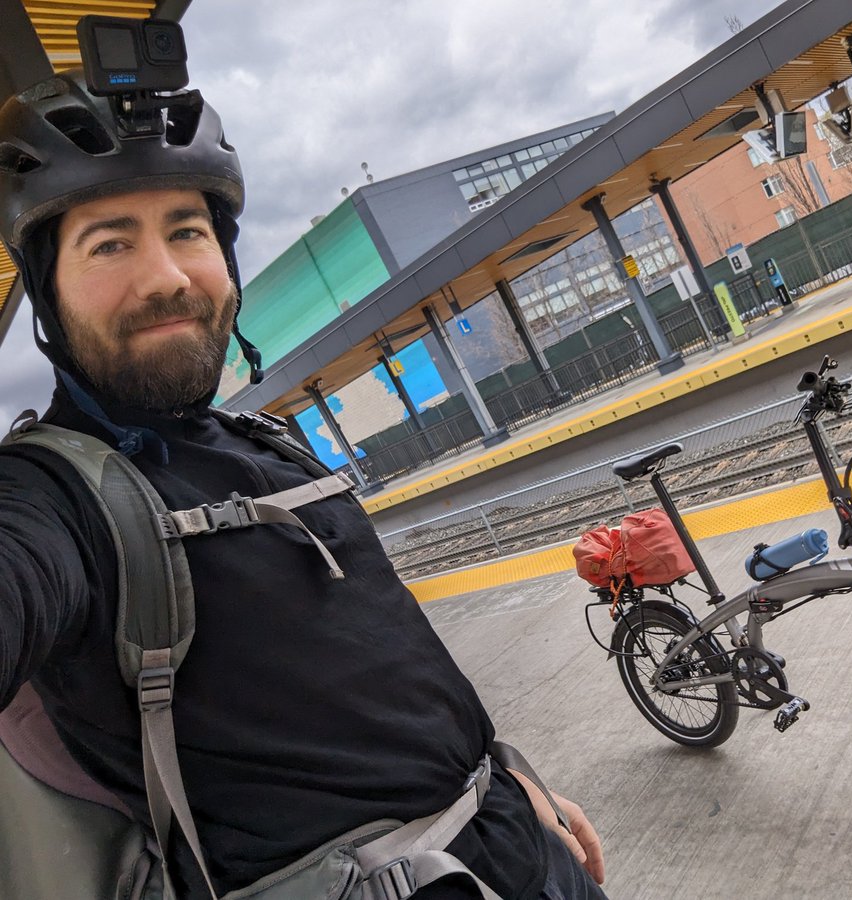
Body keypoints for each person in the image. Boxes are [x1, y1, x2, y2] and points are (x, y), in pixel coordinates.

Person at [0, 68, 606, 899]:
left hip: (518, 851)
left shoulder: (265, 442)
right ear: (46, 291)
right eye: (109, 244)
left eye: (187, 231)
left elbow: (387, 676)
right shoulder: (53, 496)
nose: (168, 277)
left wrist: (501, 783)